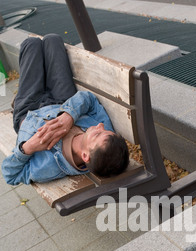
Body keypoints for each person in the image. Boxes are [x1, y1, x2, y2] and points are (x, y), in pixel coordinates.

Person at [1, 34, 129, 185]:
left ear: (85, 156)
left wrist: (28, 148)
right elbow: (89, 99)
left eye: (97, 134)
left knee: (31, 43)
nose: (100, 126)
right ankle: (36, 87)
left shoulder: (48, 167)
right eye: (104, 129)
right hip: (63, 101)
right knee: (53, 40)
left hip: (29, 110)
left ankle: (21, 98)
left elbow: (10, 175)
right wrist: (69, 115)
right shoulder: (106, 138)